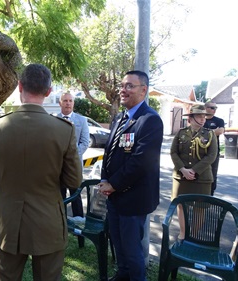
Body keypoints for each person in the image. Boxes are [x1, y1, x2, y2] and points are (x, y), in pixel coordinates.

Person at [0, 63, 82, 280]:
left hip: (8, 219)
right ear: (48, 91)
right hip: (48, 221)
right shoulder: (64, 130)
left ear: (19, 86)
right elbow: (74, 179)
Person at [98, 70, 163, 281]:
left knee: (132, 250)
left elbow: (141, 162)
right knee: (118, 244)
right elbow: (109, 152)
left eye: (129, 86)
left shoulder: (150, 120)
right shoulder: (120, 117)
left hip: (133, 200)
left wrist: (113, 184)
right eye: (122, 86)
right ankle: (122, 275)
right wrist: (104, 179)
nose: (123, 90)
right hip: (114, 197)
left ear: (143, 90)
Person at [170, 104, 217, 240]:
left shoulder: (209, 134)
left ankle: (194, 236)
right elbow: (173, 152)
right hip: (181, 176)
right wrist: (183, 169)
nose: (202, 119)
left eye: (204, 116)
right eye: (199, 116)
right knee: (181, 205)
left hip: (202, 177)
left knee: (199, 207)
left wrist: (194, 171)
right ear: (190, 118)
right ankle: (183, 234)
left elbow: (212, 156)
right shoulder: (181, 133)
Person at [57, 92, 89, 219]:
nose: (68, 103)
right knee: (60, 196)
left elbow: (85, 142)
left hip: (74, 166)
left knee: (76, 195)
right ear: (60, 103)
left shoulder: (82, 120)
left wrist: (71, 157)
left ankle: (79, 222)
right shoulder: (54, 119)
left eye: (70, 101)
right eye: (65, 101)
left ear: (73, 103)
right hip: (58, 166)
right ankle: (61, 221)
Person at [203, 102, 225, 195]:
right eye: (212, 108)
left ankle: (210, 195)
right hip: (200, 152)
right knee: (199, 173)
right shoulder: (200, 119)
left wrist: (204, 133)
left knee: (212, 174)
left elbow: (220, 131)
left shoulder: (219, 120)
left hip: (213, 152)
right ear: (205, 108)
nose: (214, 110)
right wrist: (212, 132)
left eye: (215, 108)